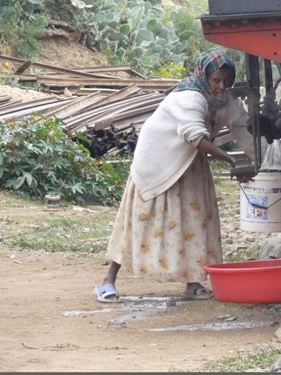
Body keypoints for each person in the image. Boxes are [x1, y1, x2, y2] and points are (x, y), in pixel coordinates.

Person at [94, 50, 257, 302]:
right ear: (205, 77)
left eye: (226, 80)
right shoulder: (190, 97)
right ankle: (107, 281)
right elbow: (195, 136)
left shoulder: (228, 102)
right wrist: (233, 160)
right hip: (157, 161)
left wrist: (263, 161)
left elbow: (245, 132)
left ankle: (193, 283)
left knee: (196, 219)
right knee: (140, 219)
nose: (221, 86)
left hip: (190, 161)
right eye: (216, 80)